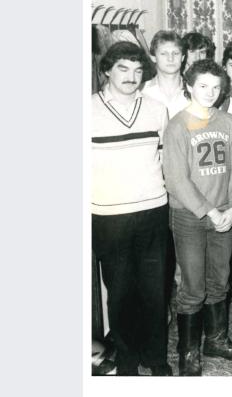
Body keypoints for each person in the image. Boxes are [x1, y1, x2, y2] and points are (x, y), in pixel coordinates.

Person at [92, 41, 172, 376]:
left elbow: (164, 158)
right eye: (123, 68)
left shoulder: (156, 109)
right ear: (106, 70)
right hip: (109, 216)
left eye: (138, 70)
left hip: (153, 211)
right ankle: (125, 359)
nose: (131, 76)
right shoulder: (85, 111)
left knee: (155, 291)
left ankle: (155, 358)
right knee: (121, 293)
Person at [163, 59, 232, 375]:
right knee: (193, 287)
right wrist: (209, 210)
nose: (210, 92)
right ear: (189, 86)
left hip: (223, 216)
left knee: (219, 281)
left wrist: (230, 210)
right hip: (190, 217)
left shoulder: (228, 123)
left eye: (215, 86)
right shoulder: (178, 126)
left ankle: (216, 340)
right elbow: (176, 180)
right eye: (203, 86)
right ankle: (188, 353)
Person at [142, 30, 189, 118]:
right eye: (164, 54)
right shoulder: (142, 92)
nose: (170, 58)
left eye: (175, 53)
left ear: (182, 57)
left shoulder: (195, 91)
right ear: (153, 58)